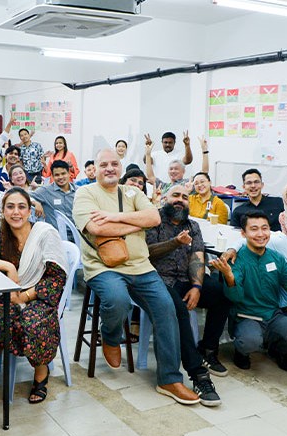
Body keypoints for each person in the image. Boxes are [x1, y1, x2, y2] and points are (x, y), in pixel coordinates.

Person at [73, 148, 200, 405]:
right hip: (103, 267)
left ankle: (169, 379)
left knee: (167, 309)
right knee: (117, 300)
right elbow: (97, 228)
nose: (109, 168)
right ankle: (109, 336)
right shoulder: (85, 193)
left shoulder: (133, 192)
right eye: (104, 164)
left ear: (120, 168)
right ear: (95, 168)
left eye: (114, 164)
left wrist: (116, 217)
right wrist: (135, 223)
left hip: (141, 267)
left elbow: (153, 217)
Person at [0, 189, 69, 413]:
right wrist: (7, 266)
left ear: (30, 211)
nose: (16, 212)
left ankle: (41, 374)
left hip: (41, 295)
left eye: (21, 206)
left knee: (31, 323)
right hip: (9, 296)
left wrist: (26, 295)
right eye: (10, 207)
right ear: (3, 211)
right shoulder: (1, 235)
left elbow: (57, 277)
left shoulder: (44, 233)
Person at [145, 184, 225, 405]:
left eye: (184, 197)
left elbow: (197, 256)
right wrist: (175, 243)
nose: (180, 200)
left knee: (220, 293)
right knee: (178, 310)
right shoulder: (153, 220)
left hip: (186, 280)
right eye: (175, 196)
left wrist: (197, 287)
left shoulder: (193, 225)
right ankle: (198, 373)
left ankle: (207, 350)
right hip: (159, 280)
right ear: (165, 200)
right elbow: (147, 252)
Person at [210, 211, 287, 372]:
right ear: (243, 233)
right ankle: (241, 353)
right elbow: (236, 297)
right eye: (254, 229)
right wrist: (229, 276)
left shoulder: (277, 258)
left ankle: (278, 351)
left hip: (272, 315)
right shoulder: (235, 259)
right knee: (249, 342)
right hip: (246, 316)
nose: (260, 234)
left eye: (264, 228)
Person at [32, 160, 79, 233]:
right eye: (57, 175)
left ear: (69, 173)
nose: (60, 177)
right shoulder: (46, 191)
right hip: (55, 237)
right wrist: (35, 203)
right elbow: (23, 196)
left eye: (63, 173)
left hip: (77, 236)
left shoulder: (78, 191)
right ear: (52, 176)